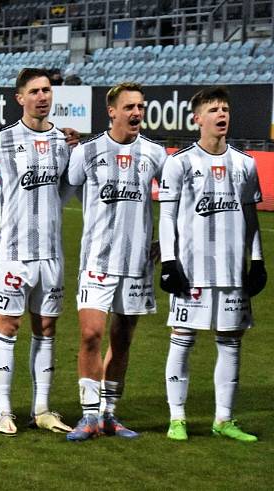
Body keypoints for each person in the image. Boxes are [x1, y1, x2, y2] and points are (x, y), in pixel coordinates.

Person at [159, 86, 266, 442]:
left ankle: (224, 419)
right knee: (183, 339)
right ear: (197, 118)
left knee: (231, 341)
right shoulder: (180, 163)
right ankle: (178, 418)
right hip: (193, 271)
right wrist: (170, 263)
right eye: (214, 109)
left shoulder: (246, 164)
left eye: (225, 109)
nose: (222, 115)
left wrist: (258, 261)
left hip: (233, 270)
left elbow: (251, 219)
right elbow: (168, 216)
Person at [65, 82, 168, 442]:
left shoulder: (156, 154)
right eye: (129, 107)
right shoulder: (88, 151)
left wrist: (165, 243)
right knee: (91, 334)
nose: (137, 113)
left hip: (137, 263)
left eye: (140, 106)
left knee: (122, 339)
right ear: (112, 111)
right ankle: (88, 415)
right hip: (97, 258)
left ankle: (109, 414)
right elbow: (64, 191)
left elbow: (174, 201)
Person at [0, 68, 73, 436]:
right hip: (13, 253)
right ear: (20, 98)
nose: (42, 97)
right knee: (8, 325)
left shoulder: (63, 143)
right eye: (34, 91)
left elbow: (64, 189)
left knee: (46, 328)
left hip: (51, 253)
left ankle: (42, 409)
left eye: (47, 90)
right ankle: (4, 411)